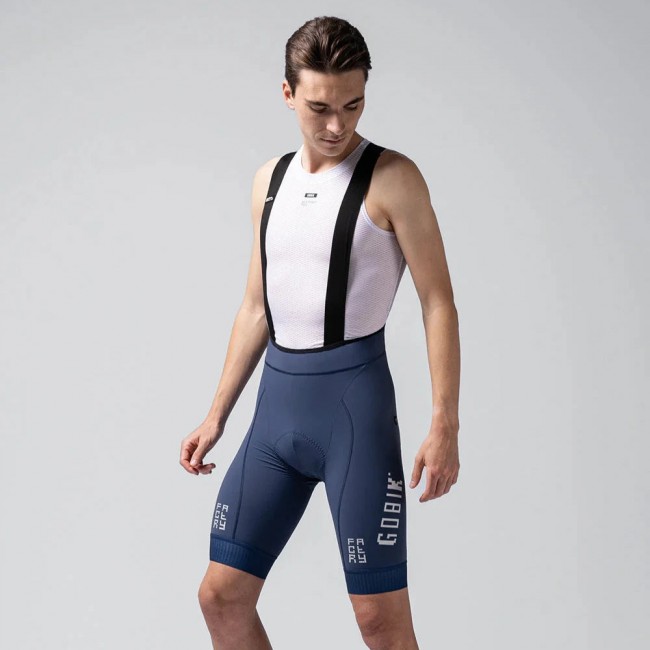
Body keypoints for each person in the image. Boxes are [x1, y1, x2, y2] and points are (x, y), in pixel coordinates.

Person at [180, 15, 460, 650]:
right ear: (288, 94)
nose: (338, 125)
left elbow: (438, 302)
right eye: (320, 108)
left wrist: (445, 422)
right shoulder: (269, 181)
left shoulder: (393, 178)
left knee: (378, 621)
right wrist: (216, 415)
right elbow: (256, 306)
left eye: (353, 105)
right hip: (275, 415)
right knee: (221, 598)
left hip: (353, 413)